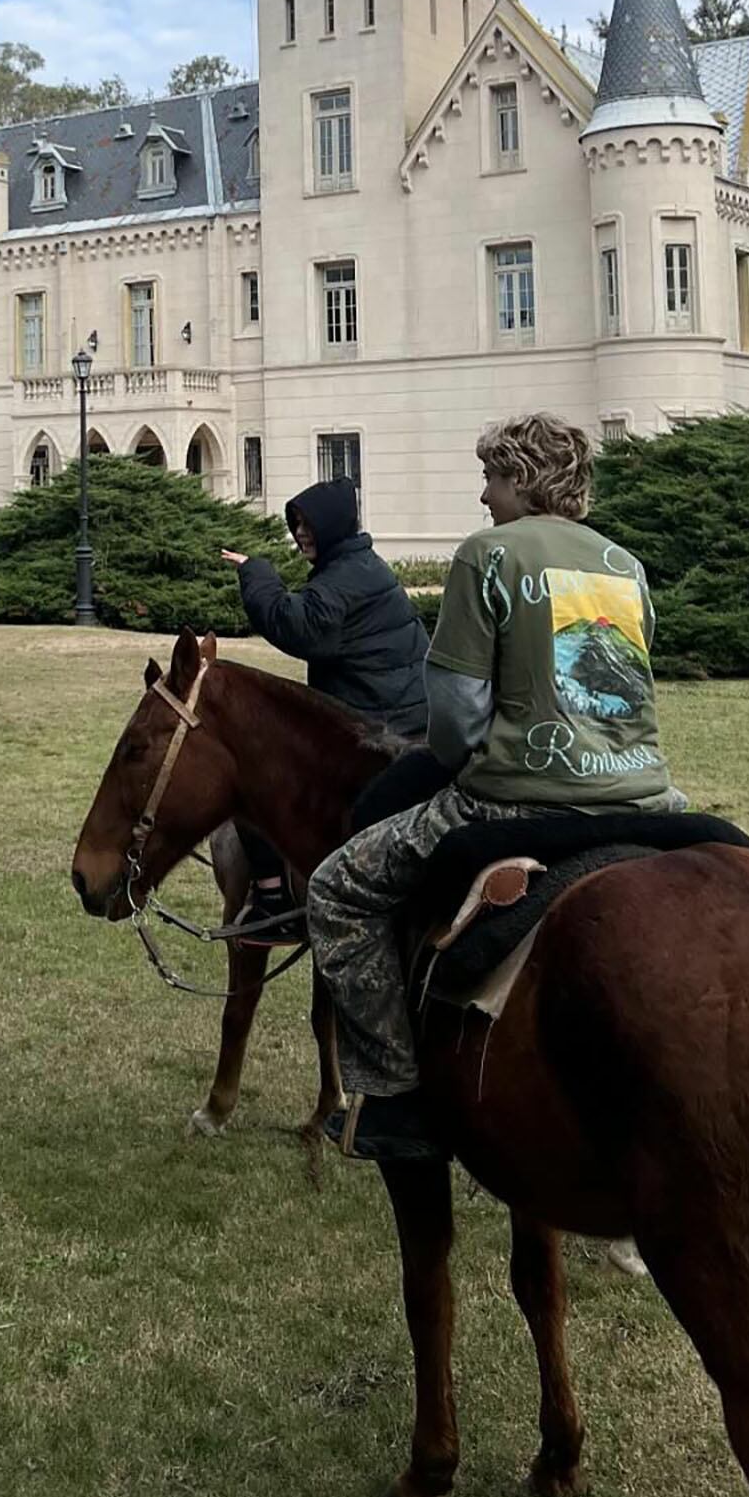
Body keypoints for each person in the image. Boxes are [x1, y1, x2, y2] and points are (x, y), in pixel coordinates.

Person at [306, 412, 685, 1165]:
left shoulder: (487, 555)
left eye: (491, 477)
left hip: (516, 797)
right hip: (648, 800)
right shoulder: (625, 565)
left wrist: (457, 756)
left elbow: (454, 720)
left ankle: (393, 1090)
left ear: (521, 479)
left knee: (336, 889)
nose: (482, 495)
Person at [219, 477, 432, 934]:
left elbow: (298, 626)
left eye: (309, 526)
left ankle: (272, 899)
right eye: (296, 526)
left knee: (257, 774)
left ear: (334, 526)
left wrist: (256, 572)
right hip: (402, 717)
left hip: (380, 729)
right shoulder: (359, 567)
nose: (301, 535)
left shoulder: (346, 578)